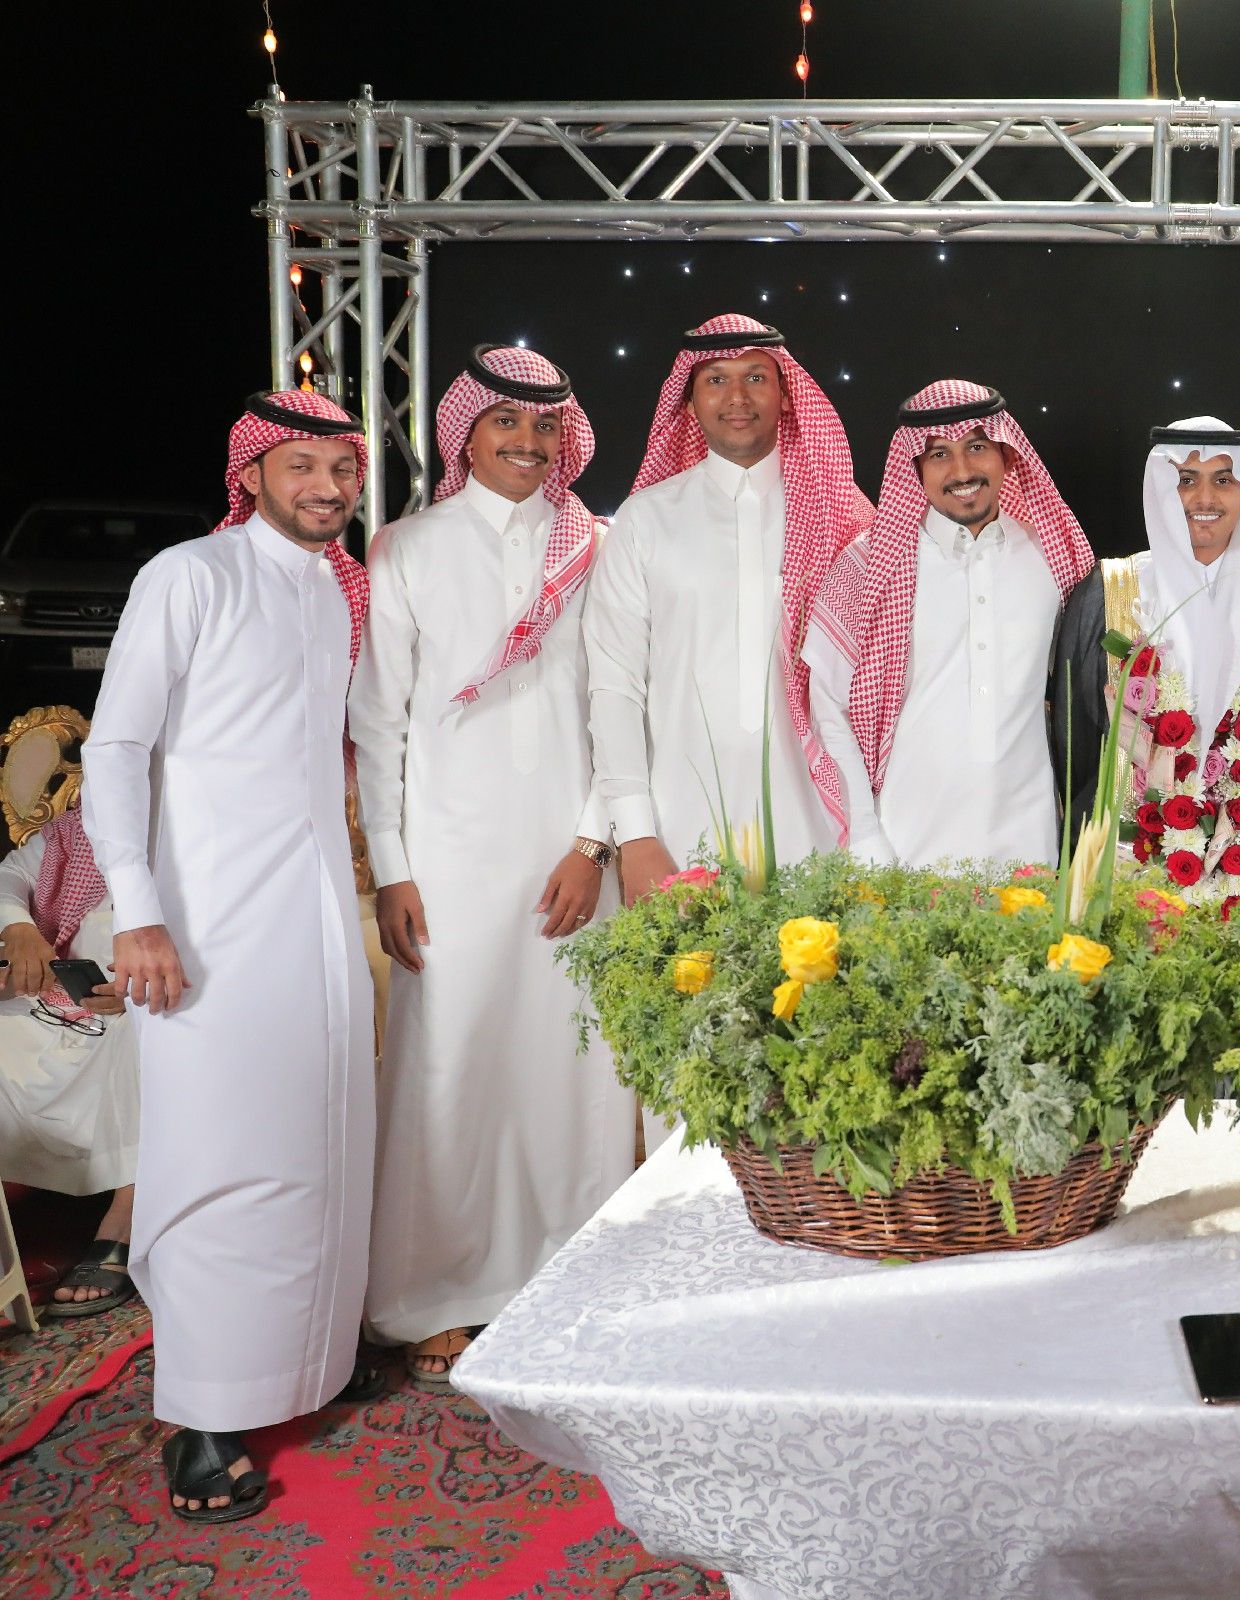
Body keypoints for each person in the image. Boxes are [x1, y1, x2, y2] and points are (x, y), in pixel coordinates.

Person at [82, 389, 377, 1522]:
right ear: (252, 474)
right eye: (301, 465)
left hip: (314, 916)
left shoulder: (334, 593)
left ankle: (306, 1364)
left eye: (341, 469)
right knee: (217, 1155)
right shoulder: (189, 576)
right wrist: (138, 913)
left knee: (318, 1136)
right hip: (202, 925)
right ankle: (202, 1415)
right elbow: (118, 746)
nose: (325, 487)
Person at [348, 345, 634, 1388]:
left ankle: (568, 1284)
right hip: (449, 860)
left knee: (574, 1070)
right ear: (463, 432)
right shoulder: (406, 548)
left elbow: (619, 703)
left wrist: (594, 842)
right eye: (505, 422)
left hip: (572, 860)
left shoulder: (595, 545)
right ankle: (438, 1292)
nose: (527, 441)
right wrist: (393, 868)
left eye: (545, 425)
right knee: (451, 1064)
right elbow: (378, 725)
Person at [583, 313, 870, 899]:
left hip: (821, 828)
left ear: (786, 395)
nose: (737, 397)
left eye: (755, 377)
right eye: (715, 379)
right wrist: (635, 834)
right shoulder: (646, 518)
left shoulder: (844, 520)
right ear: (688, 401)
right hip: (675, 830)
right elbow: (615, 684)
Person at [1049, 418, 1240, 906]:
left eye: (1223, 479)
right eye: (1187, 479)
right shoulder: (1109, 594)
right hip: (1130, 868)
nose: (1204, 498)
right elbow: (1074, 746)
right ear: (1162, 490)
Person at [804, 381, 1094, 867]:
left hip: (1031, 847)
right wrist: (864, 835)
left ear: (1007, 455)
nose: (961, 471)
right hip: (904, 848)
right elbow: (827, 708)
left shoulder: (1052, 556)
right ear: (915, 466)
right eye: (939, 454)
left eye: (977, 447)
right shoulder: (868, 566)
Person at [0, 802, 139, 1319]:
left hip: (135, 1016)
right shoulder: (76, 830)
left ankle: (124, 1223)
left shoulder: (193, 833)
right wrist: (18, 927)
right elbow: (11, 874)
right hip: (52, 1007)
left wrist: (141, 992)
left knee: (157, 1039)